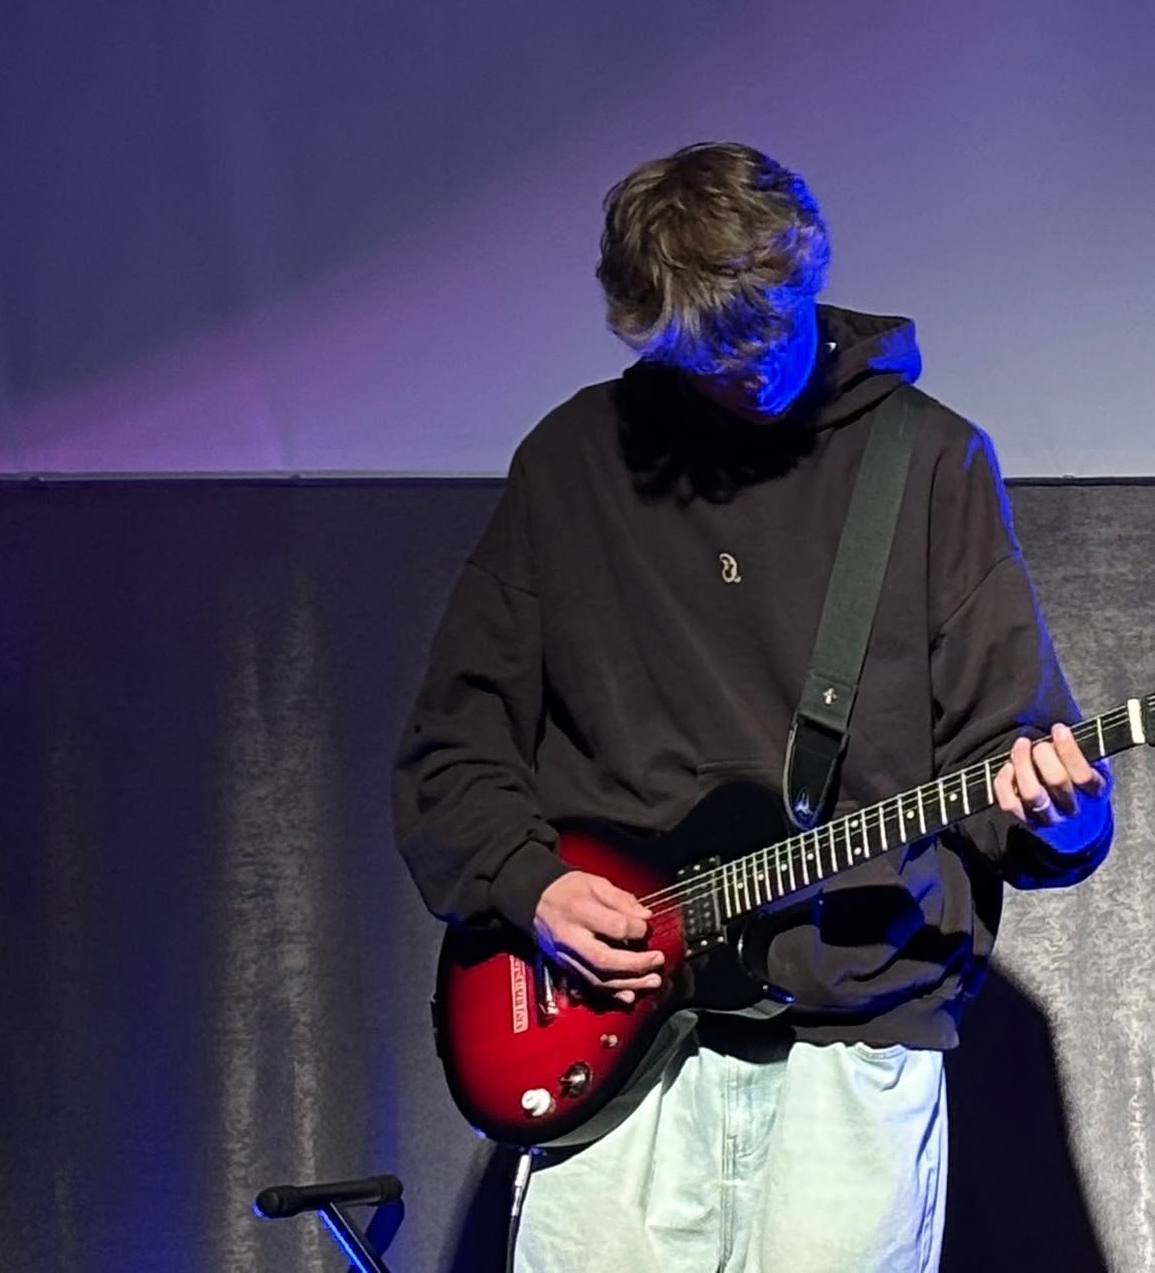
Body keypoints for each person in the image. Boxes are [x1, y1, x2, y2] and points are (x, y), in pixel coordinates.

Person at [395, 141, 1111, 1273]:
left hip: (853, 1025)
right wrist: (532, 886)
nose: (742, 371)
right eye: (702, 353)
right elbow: (451, 750)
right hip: (604, 1021)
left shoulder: (929, 461)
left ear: (808, 272)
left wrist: (1060, 812)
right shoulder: (572, 461)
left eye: (761, 332)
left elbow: (1013, 758)